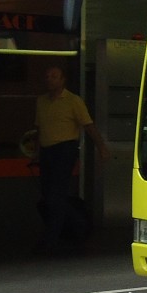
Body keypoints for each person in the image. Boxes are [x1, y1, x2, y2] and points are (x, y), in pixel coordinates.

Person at [31, 64, 109, 254]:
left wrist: (101, 147)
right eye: (47, 76)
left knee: (55, 195)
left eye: (54, 76)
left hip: (64, 150)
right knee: (49, 195)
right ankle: (77, 227)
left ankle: (52, 239)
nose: (49, 79)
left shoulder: (73, 101)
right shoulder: (41, 101)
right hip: (47, 151)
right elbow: (39, 129)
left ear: (62, 80)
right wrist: (36, 151)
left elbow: (88, 126)